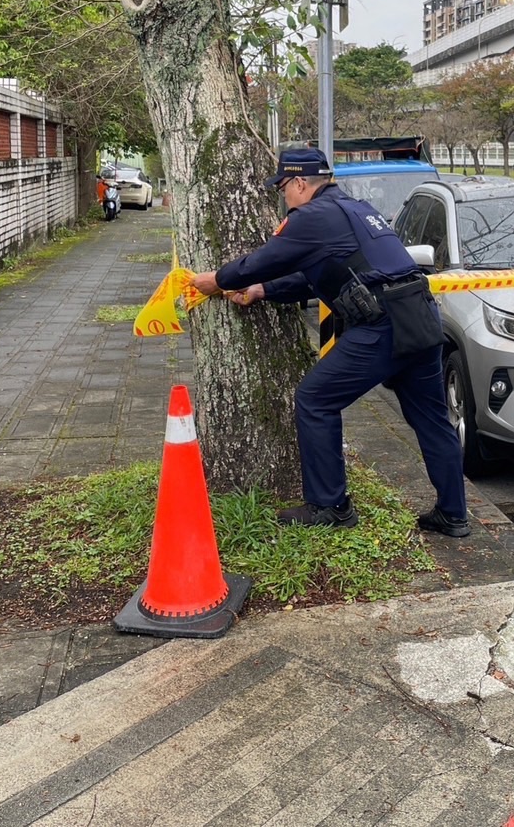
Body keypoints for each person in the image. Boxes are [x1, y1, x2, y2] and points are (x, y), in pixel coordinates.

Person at [191, 147, 469, 537]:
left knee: (315, 398)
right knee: (433, 420)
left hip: (383, 324)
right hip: (420, 316)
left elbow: (261, 260)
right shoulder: (355, 209)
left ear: (300, 183)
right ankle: (453, 514)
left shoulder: (311, 217)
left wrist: (218, 280)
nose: (283, 196)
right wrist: (263, 292)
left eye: (283, 187)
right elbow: (319, 275)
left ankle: (330, 506)